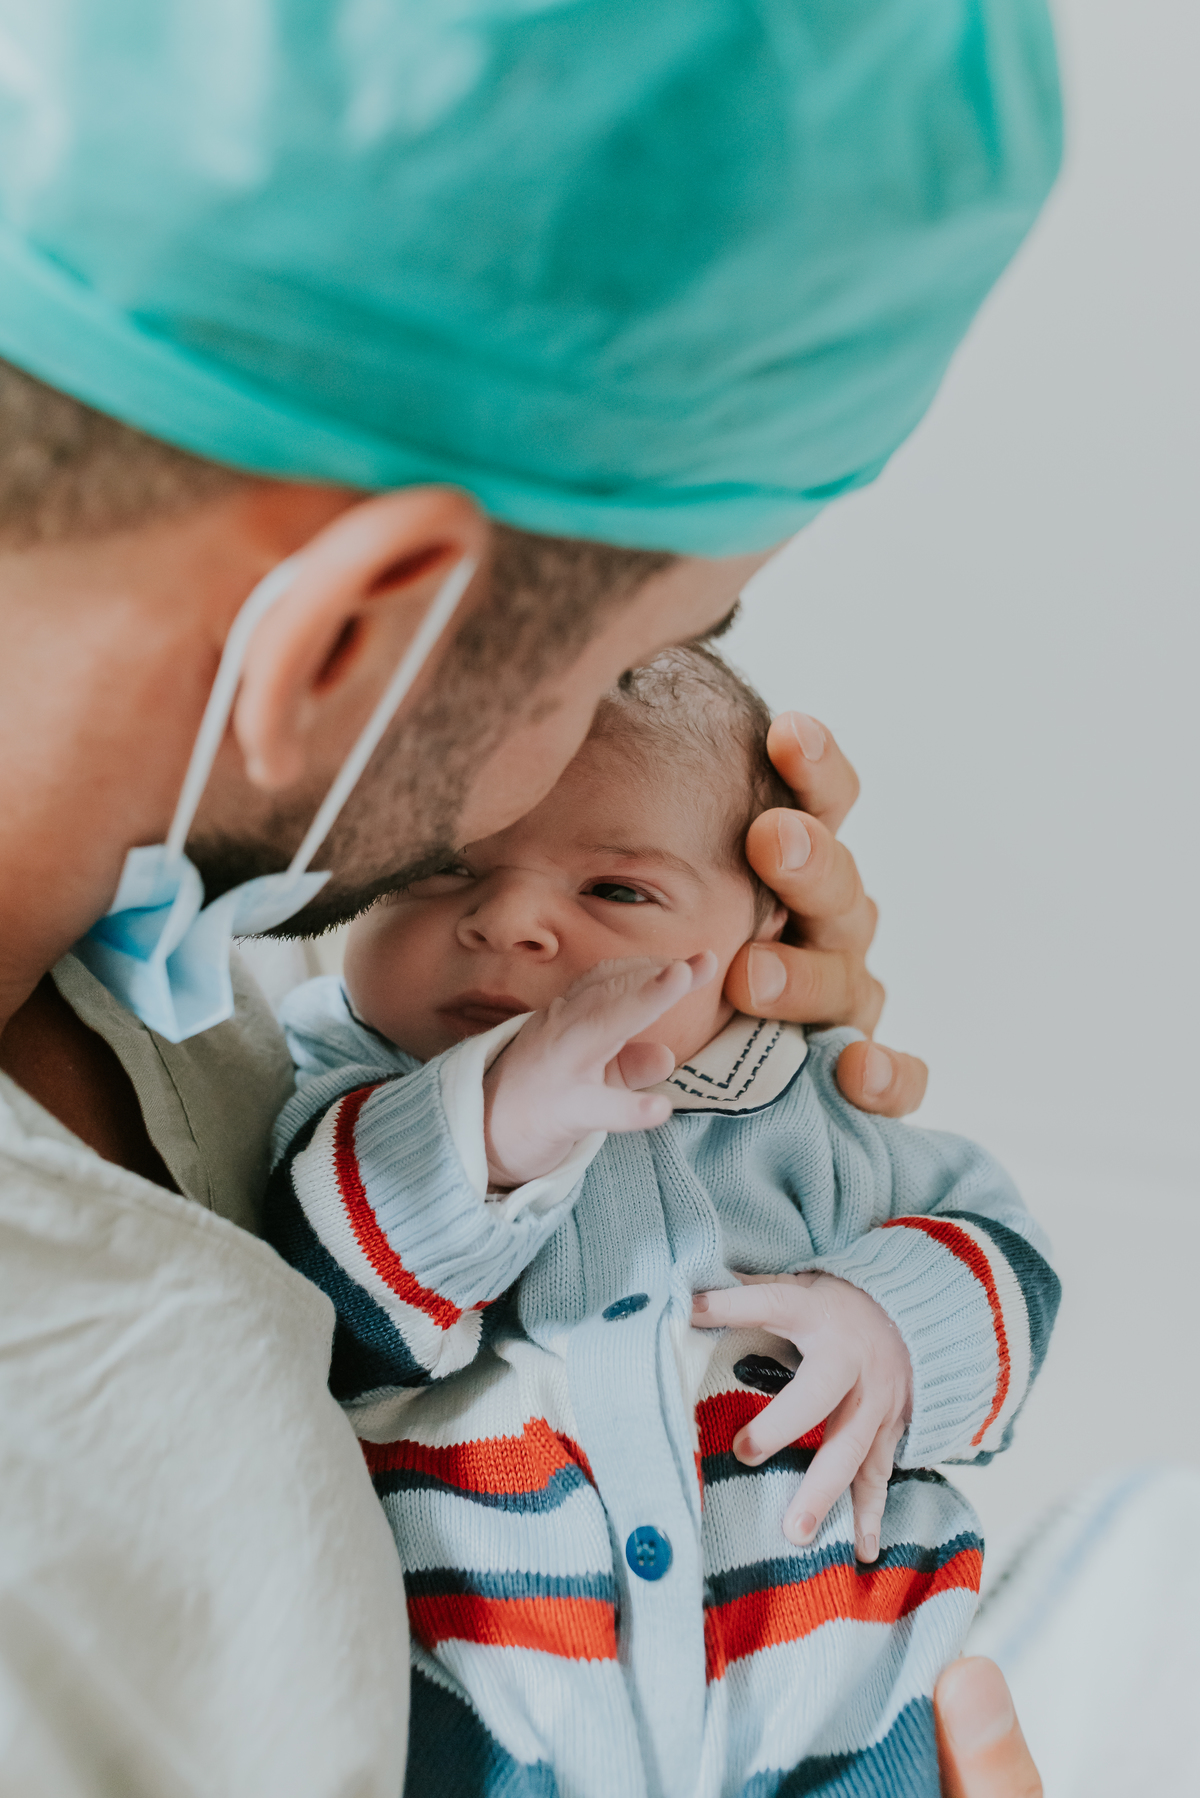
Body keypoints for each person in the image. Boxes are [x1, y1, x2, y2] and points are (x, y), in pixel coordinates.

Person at [0, 1, 1063, 1793]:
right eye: (645, 654)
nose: (580, 763)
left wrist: (676, 1041)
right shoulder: (96, 1494)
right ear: (352, 633)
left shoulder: (176, 998)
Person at [262, 646, 1060, 1795]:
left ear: (765, 940)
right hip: (491, 1712)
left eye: (617, 890)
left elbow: (1006, 1259)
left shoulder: (807, 1102)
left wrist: (889, 1321)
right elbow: (327, 1301)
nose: (510, 923)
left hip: (839, 1693)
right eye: (433, 872)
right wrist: (489, 1123)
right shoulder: (340, 1087)